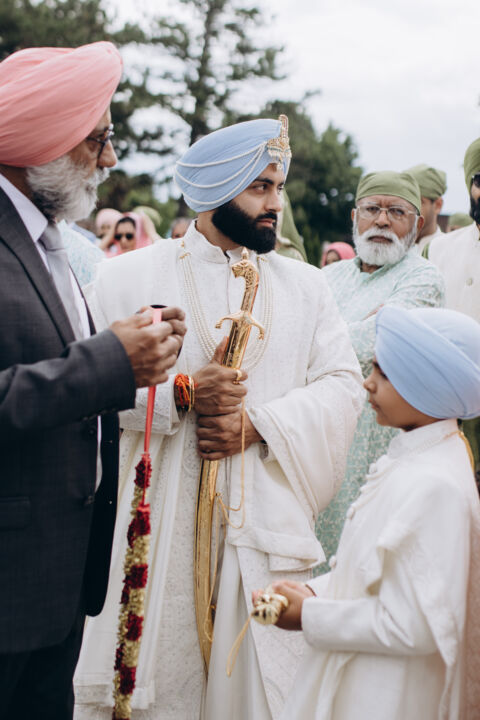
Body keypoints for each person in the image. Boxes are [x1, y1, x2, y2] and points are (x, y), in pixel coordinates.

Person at [74, 116, 364, 720]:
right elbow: (82, 393)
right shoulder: (125, 277)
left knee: (258, 687)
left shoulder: (306, 288)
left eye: (278, 188)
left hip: (261, 536)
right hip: (153, 532)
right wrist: (180, 396)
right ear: (215, 190)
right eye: (260, 187)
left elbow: (343, 387)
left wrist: (257, 426)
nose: (275, 204)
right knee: (152, 690)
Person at [0, 42, 186, 720]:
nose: (109, 160)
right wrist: (110, 361)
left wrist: (135, 354)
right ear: (42, 139)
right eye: (97, 139)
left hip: (56, 584)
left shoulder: (48, 238)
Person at [261, 306, 480, 720]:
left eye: (383, 372)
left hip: (386, 696)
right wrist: (313, 592)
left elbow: (414, 625)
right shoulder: (415, 459)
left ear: (426, 386)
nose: (368, 382)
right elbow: (376, 573)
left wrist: (309, 615)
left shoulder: (437, 484)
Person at [315, 171, 444, 573]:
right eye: (372, 209)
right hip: (316, 435)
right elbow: (299, 338)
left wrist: (328, 338)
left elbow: (375, 339)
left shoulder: (424, 278)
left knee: (366, 562)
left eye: (397, 212)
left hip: (378, 443)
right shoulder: (326, 277)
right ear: (355, 217)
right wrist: (361, 326)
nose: (383, 221)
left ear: (416, 224)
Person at [406, 163, 447, 253]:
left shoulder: (450, 250)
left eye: (418, 201)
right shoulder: (391, 248)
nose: (408, 209)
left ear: (438, 205)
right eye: (405, 201)